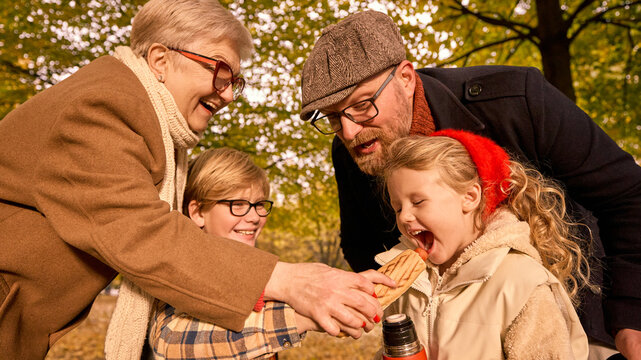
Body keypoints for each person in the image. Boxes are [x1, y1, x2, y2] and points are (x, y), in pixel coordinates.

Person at [0, 2, 393, 358]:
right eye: (220, 71)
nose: (226, 96)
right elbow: (142, 236)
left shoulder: (148, 125)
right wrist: (290, 280)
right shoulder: (102, 107)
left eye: (234, 82)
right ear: (160, 60)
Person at [299, 10, 641, 359]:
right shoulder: (352, 148)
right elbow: (363, 245)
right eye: (331, 116)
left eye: (363, 105)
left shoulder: (517, 99)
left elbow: (629, 195)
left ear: (404, 77)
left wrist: (631, 317)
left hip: (579, 320)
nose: (349, 131)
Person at [377, 131, 591, 359]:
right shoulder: (407, 286)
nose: (404, 217)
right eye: (398, 207)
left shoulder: (521, 283)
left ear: (469, 197)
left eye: (418, 202)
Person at [148, 147, 317, 359]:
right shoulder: (181, 268)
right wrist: (301, 319)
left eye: (259, 205)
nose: (255, 217)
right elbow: (170, 341)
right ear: (198, 212)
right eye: (238, 204)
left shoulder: (259, 279)